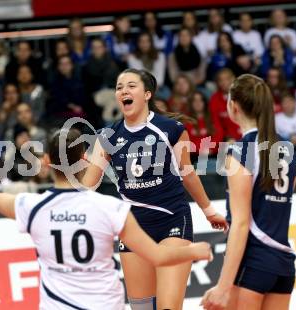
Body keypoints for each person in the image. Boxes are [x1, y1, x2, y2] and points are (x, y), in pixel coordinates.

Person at [0, 127, 213, 310]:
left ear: (47, 161)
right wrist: (195, 250)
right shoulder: (109, 208)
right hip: (104, 304)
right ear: (85, 160)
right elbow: (156, 256)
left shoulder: (33, 206)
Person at [83, 68, 227, 309]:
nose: (123, 91)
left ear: (147, 94)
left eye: (131, 86)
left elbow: (188, 173)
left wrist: (208, 210)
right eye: (119, 87)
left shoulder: (170, 129)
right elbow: (88, 185)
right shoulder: (107, 136)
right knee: (142, 307)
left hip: (171, 219)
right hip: (132, 227)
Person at [201, 74, 296, 310]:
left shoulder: (240, 152)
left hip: (254, 262)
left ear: (233, 107)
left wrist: (223, 286)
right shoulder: (288, 148)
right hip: (283, 264)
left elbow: (241, 223)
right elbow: (280, 203)